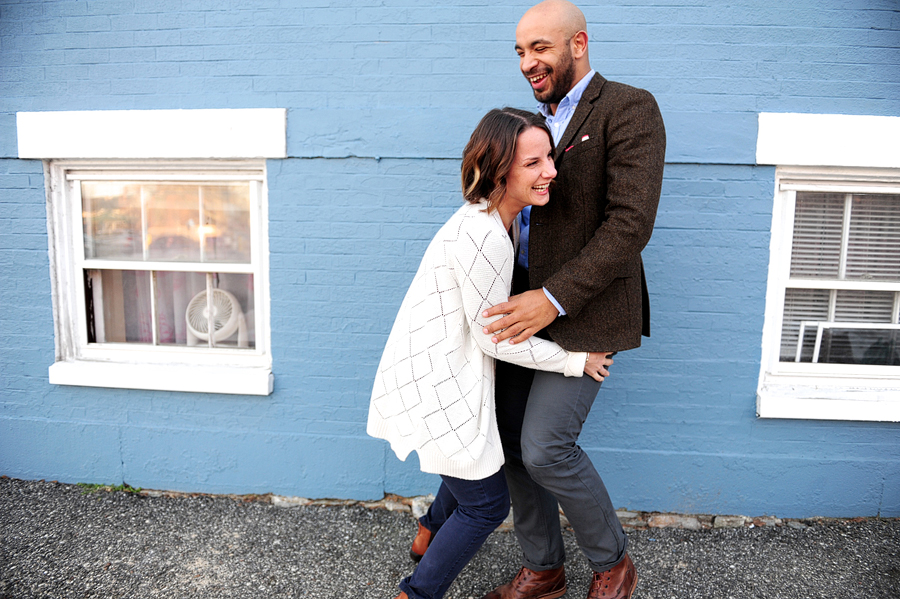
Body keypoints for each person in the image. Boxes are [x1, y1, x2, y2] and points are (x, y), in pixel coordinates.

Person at [367, 107, 615, 599]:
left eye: (550, 157)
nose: (550, 171)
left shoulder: (502, 220)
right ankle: (415, 593)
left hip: (438, 369)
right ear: (501, 170)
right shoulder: (485, 237)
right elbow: (495, 337)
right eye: (534, 163)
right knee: (484, 503)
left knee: (475, 459)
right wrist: (573, 361)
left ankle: (428, 534)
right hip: (441, 378)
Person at [478, 2, 667, 599]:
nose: (527, 61)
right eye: (519, 51)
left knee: (546, 447)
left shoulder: (628, 108)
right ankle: (544, 569)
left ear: (577, 44)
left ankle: (613, 564)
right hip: (516, 306)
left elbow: (630, 223)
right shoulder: (525, 123)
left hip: (583, 311)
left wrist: (553, 299)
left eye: (540, 47)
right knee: (508, 441)